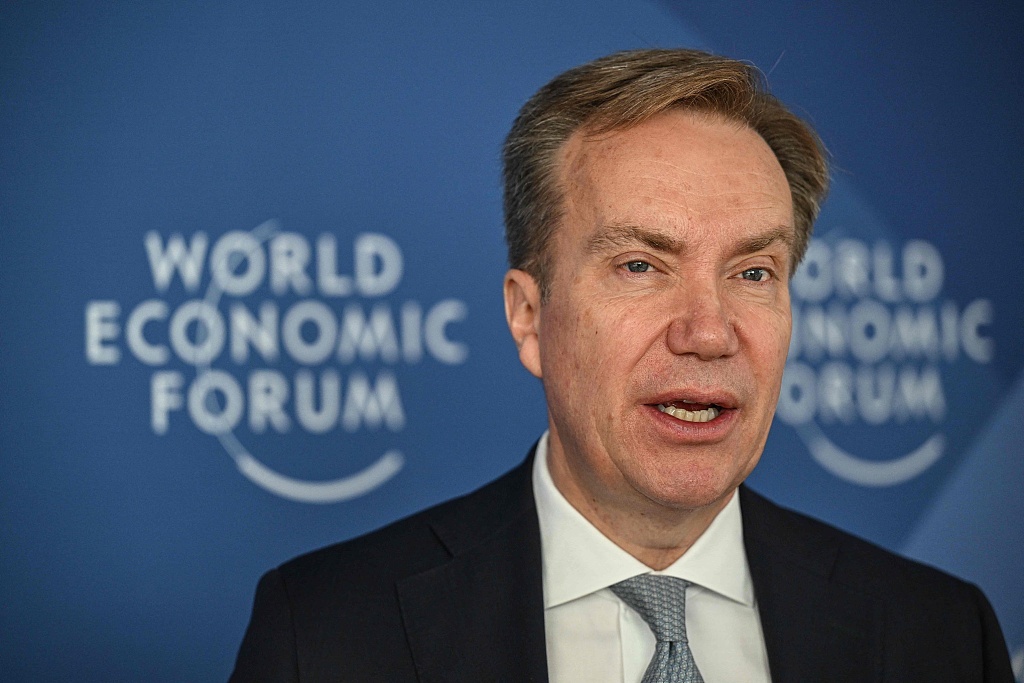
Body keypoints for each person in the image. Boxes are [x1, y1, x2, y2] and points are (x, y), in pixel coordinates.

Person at [230, 48, 1013, 682]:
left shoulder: (939, 634)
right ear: (528, 316)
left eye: (753, 272)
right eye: (641, 265)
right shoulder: (326, 632)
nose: (709, 332)